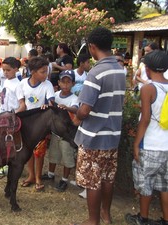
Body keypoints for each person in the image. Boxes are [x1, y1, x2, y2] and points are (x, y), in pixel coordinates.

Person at [70, 27, 126, 225]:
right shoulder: (120, 69)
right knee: (107, 178)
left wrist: (74, 110)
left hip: (94, 136)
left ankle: (93, 221)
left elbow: (84, 111)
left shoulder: (96, 72)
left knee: (93, 180)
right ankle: (106, 215)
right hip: (113, 135)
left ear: (92, 47)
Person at [125, 50, 168, 225]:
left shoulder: (148, 88)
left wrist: (136, 144)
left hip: (149, 144)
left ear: (148, 69)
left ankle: (142, 218)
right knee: (165, 186)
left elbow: (146, 118)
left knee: (146, 184)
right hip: (166, 146)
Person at [17, 56, 55, 191]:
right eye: (43, 72)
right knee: (28, 151)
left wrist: (48, 105)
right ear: (32, 72)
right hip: (26, 124)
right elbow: (22, 104)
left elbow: (51, 102)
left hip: (40, 126)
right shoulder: (22, 84)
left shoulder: (48, 84)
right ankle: (31, 175)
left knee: (39, 152)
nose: (46, 74)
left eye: (46, 71)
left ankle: (38, 177)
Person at [41, 70, 78, 192]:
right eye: (63, 82)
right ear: (59, 83)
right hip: (55, 133)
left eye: (68, 82)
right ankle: (51, 174)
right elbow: (49, 105)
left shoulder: (74, 98)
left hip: (67, 134)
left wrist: (67, 108)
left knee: (67, 157)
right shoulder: (55, 95)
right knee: (53, 154)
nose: (66, 85)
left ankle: (64, 179)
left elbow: (75, 109)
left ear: (73, 83)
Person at [0, 57, 25, 178]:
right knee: (0, 141)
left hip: (11, 119)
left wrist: (13, 114)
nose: (5, 73)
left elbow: (22, 105)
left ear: (16, 69)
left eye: (8, 70)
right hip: (2, 116)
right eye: (4, 70)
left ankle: (7, 166)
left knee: (8, 143)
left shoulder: (18, 85)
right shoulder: (6, 82)